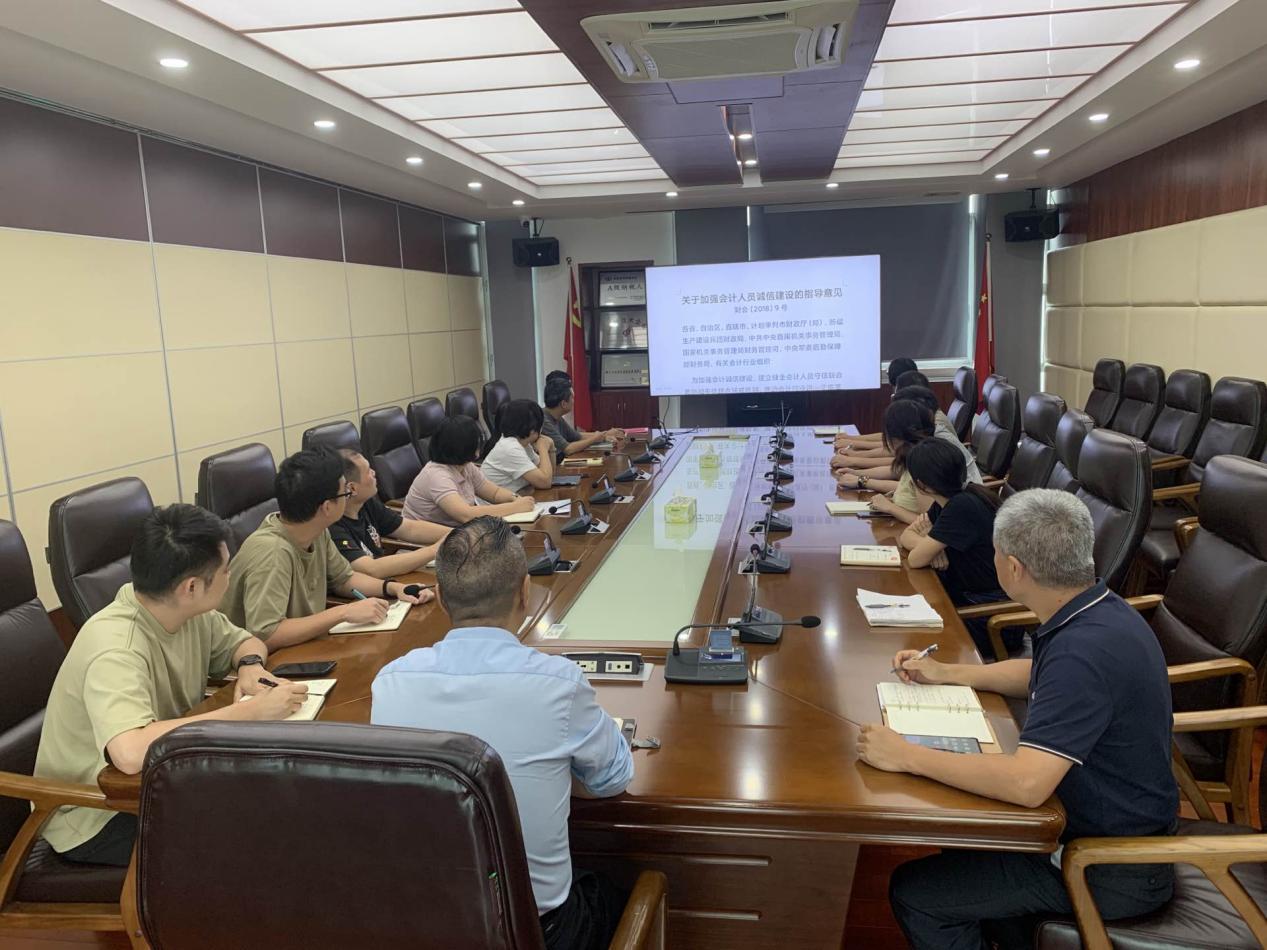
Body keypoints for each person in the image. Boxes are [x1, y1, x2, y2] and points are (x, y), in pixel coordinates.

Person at [859, 489, 1178, 949]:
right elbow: (1038, 673)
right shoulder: (1095, 609)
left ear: (1012, 568)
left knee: (918, 894)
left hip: (1104, 864)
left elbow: (1027, 785)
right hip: (1097, 830)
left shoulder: (1083, 653)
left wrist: (906, 755)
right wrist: (947, 673)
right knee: (965, 838)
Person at [372, 517, 634, 949]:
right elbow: (612, 780)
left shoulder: (391, 681)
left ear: (441, 599)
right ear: (525, 593)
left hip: (427, 928)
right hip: (536, 933)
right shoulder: (559, 684)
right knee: (616, 893)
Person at [34, 504, 309, 866]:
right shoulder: (116, 647)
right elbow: (129, 753)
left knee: (280, 804)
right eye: (226, 570)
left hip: (161, 780)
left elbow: (246, 642)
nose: (230, 576)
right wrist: (250, 713)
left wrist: (249, 666)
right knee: (256, 840)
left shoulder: (183, 610)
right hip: (96, 812)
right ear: (191, 587)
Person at [222, 447, 431, 649]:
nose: (348, 496)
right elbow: (267, 634)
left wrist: (394, 588)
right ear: (327, 507)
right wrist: (344, 613)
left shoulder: (316, 531)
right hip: (265, 661)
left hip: (302, 646)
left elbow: (344, 579)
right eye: (345, 492)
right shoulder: (272, 553)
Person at [897, 439, 1008, 654]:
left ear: (922, 485)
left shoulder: (961, 506)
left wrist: (929, 548)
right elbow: (906, 536)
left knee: (911, 634)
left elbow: (915, 559)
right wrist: (932, 547)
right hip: (966, 600)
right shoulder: (950, 501)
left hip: (988, 614)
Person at [331, 448, 451, 577]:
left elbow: (409, 528)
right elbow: (371, 569)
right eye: (368, 471)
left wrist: (457, 534)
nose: (374, 473)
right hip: (368, 585)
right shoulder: (332, 525)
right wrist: (435, 549)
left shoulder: (366, 504)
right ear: (352, 488)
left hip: (385, 582)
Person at [401, 416, 536, 526]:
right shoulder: (436, 476)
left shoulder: (465, 466)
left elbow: (494, 493)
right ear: (465, 446)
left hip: (457, 534)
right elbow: (466, 515)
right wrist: (515, 507)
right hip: (427, 543)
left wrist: (516, 499)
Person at [834, 400, 936, 521]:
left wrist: (890, 508)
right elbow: (906, 487)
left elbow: (928, 522)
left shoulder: (924, 464)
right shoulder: (914, 458)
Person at [835, 357, 919, 449]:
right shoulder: (913, 399)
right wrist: (851, 438)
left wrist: (852, 444)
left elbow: (895, 448)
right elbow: (890, 438)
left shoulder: (910, 406)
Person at [480, 398, 556, 492]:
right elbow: (545, 482)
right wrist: (543, 449)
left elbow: (549, 474)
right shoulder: (509, 448)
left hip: (517, 497)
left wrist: (551, 447)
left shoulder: (523, 443)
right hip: (498, 501)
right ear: (533, 430)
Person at [542, 378, 624, 460]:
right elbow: (568, 449)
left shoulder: (557, 416)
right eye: (572, 398)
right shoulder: (543, 420)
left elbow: (578, 436)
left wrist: (605, 434)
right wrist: (595, 439)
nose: (574, 401)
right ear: (563, 404)